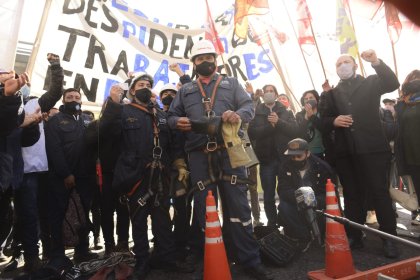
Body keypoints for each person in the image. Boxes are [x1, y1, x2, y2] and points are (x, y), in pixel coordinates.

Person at [168, 39, 273, 280]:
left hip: (230, 152)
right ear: (194, 63)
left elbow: (249, 106)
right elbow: (171, 115)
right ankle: (209, 258)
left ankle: (249, 260)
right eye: (200, 59)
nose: (205, 62)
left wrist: (238, 114)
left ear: (215, 60)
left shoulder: (232, 83)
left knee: (239, 209)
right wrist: (177, 122)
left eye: (209, 58)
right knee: (205, 208)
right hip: (199, 155)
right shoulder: (185, 90)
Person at [101, 74, 191, 279]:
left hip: (160, 175)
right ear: (132, 91)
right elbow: (105, 133)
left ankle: (166, 258)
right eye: (140, 85)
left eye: (148, 85)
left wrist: (178, 163)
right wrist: (113, 104)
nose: (145, 87)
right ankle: (142, 261)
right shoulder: (123, 112)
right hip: (136, 176)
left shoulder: (161, 115)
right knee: (139, 221)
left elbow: (173, 143)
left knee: (162, 220)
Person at [319, 50, 400, 258]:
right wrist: (333, 121)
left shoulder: (371, 82)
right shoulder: (331, 93)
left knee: (379, 194)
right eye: (338, 63)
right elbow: (323, 120)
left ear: (355, 65)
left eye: (346, 62)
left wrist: (376, 61)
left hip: (372, 150)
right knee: (353, 196)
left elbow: (392, 83)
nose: (342, 66)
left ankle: (390, 239)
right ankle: (354, 235)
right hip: (346, 153)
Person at [13, 53, 64, 271]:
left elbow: (55, 91)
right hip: (14, 170)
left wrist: (55, 66)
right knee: (21, 215)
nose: (19, 86)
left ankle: (37, 256)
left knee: (36, 213)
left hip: (36, 170)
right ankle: (23, 255)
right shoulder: (5, 107)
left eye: (22, 82)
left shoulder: (36, 102)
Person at [44, 88, 98, 265]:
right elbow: (54, 150)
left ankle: (82, 251)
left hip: (84, 178)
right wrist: (66, 173)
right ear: (63, 100)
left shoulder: (87, 121)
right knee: (57, 215)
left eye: (76, 97)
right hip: (61, 178)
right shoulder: (55, 121)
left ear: (81, 101)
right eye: (70, 97)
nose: (73, 100)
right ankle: (57, 254)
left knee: (83, 214)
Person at [248, 84, 298, 227]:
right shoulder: (256, 112)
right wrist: (270, 127)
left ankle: (288, 220)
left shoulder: (286, 112)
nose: (269, 93)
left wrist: (279, 122)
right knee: (268, 194)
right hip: (266, 160)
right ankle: (272, 222)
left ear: (276, 94)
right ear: (263, 95)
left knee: (286, 192)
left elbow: (295, 131)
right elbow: (253, 132)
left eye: (272, 91)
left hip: (285, 159)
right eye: (267, 91)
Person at [277, 138, 335, 251]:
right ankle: (303, 237)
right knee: (283, 207)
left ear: (308, 153)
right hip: (295, 201)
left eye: (299, 156)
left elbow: (330, 194)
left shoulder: (322, 167)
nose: (295, 159)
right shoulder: (285, 166)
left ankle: (320, 235)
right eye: (292, 157)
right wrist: (300, 197)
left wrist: (313, 200)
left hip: (317, 204)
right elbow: (282, 190)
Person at [394, 70, 420, 227]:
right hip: (411, 156)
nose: (416, 82)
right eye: (413, 80)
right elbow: (398, 132)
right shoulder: (402, 104)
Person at [295, 90, 326, 159]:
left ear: (317, 99)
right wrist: (306, 118)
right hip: (311, 153)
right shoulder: (299, 115)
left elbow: (325, 128)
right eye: (306, 99)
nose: (308, 100)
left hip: (326, 149)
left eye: (311, 98)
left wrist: (312, 116)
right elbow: (299, 133)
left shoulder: (323, 111)